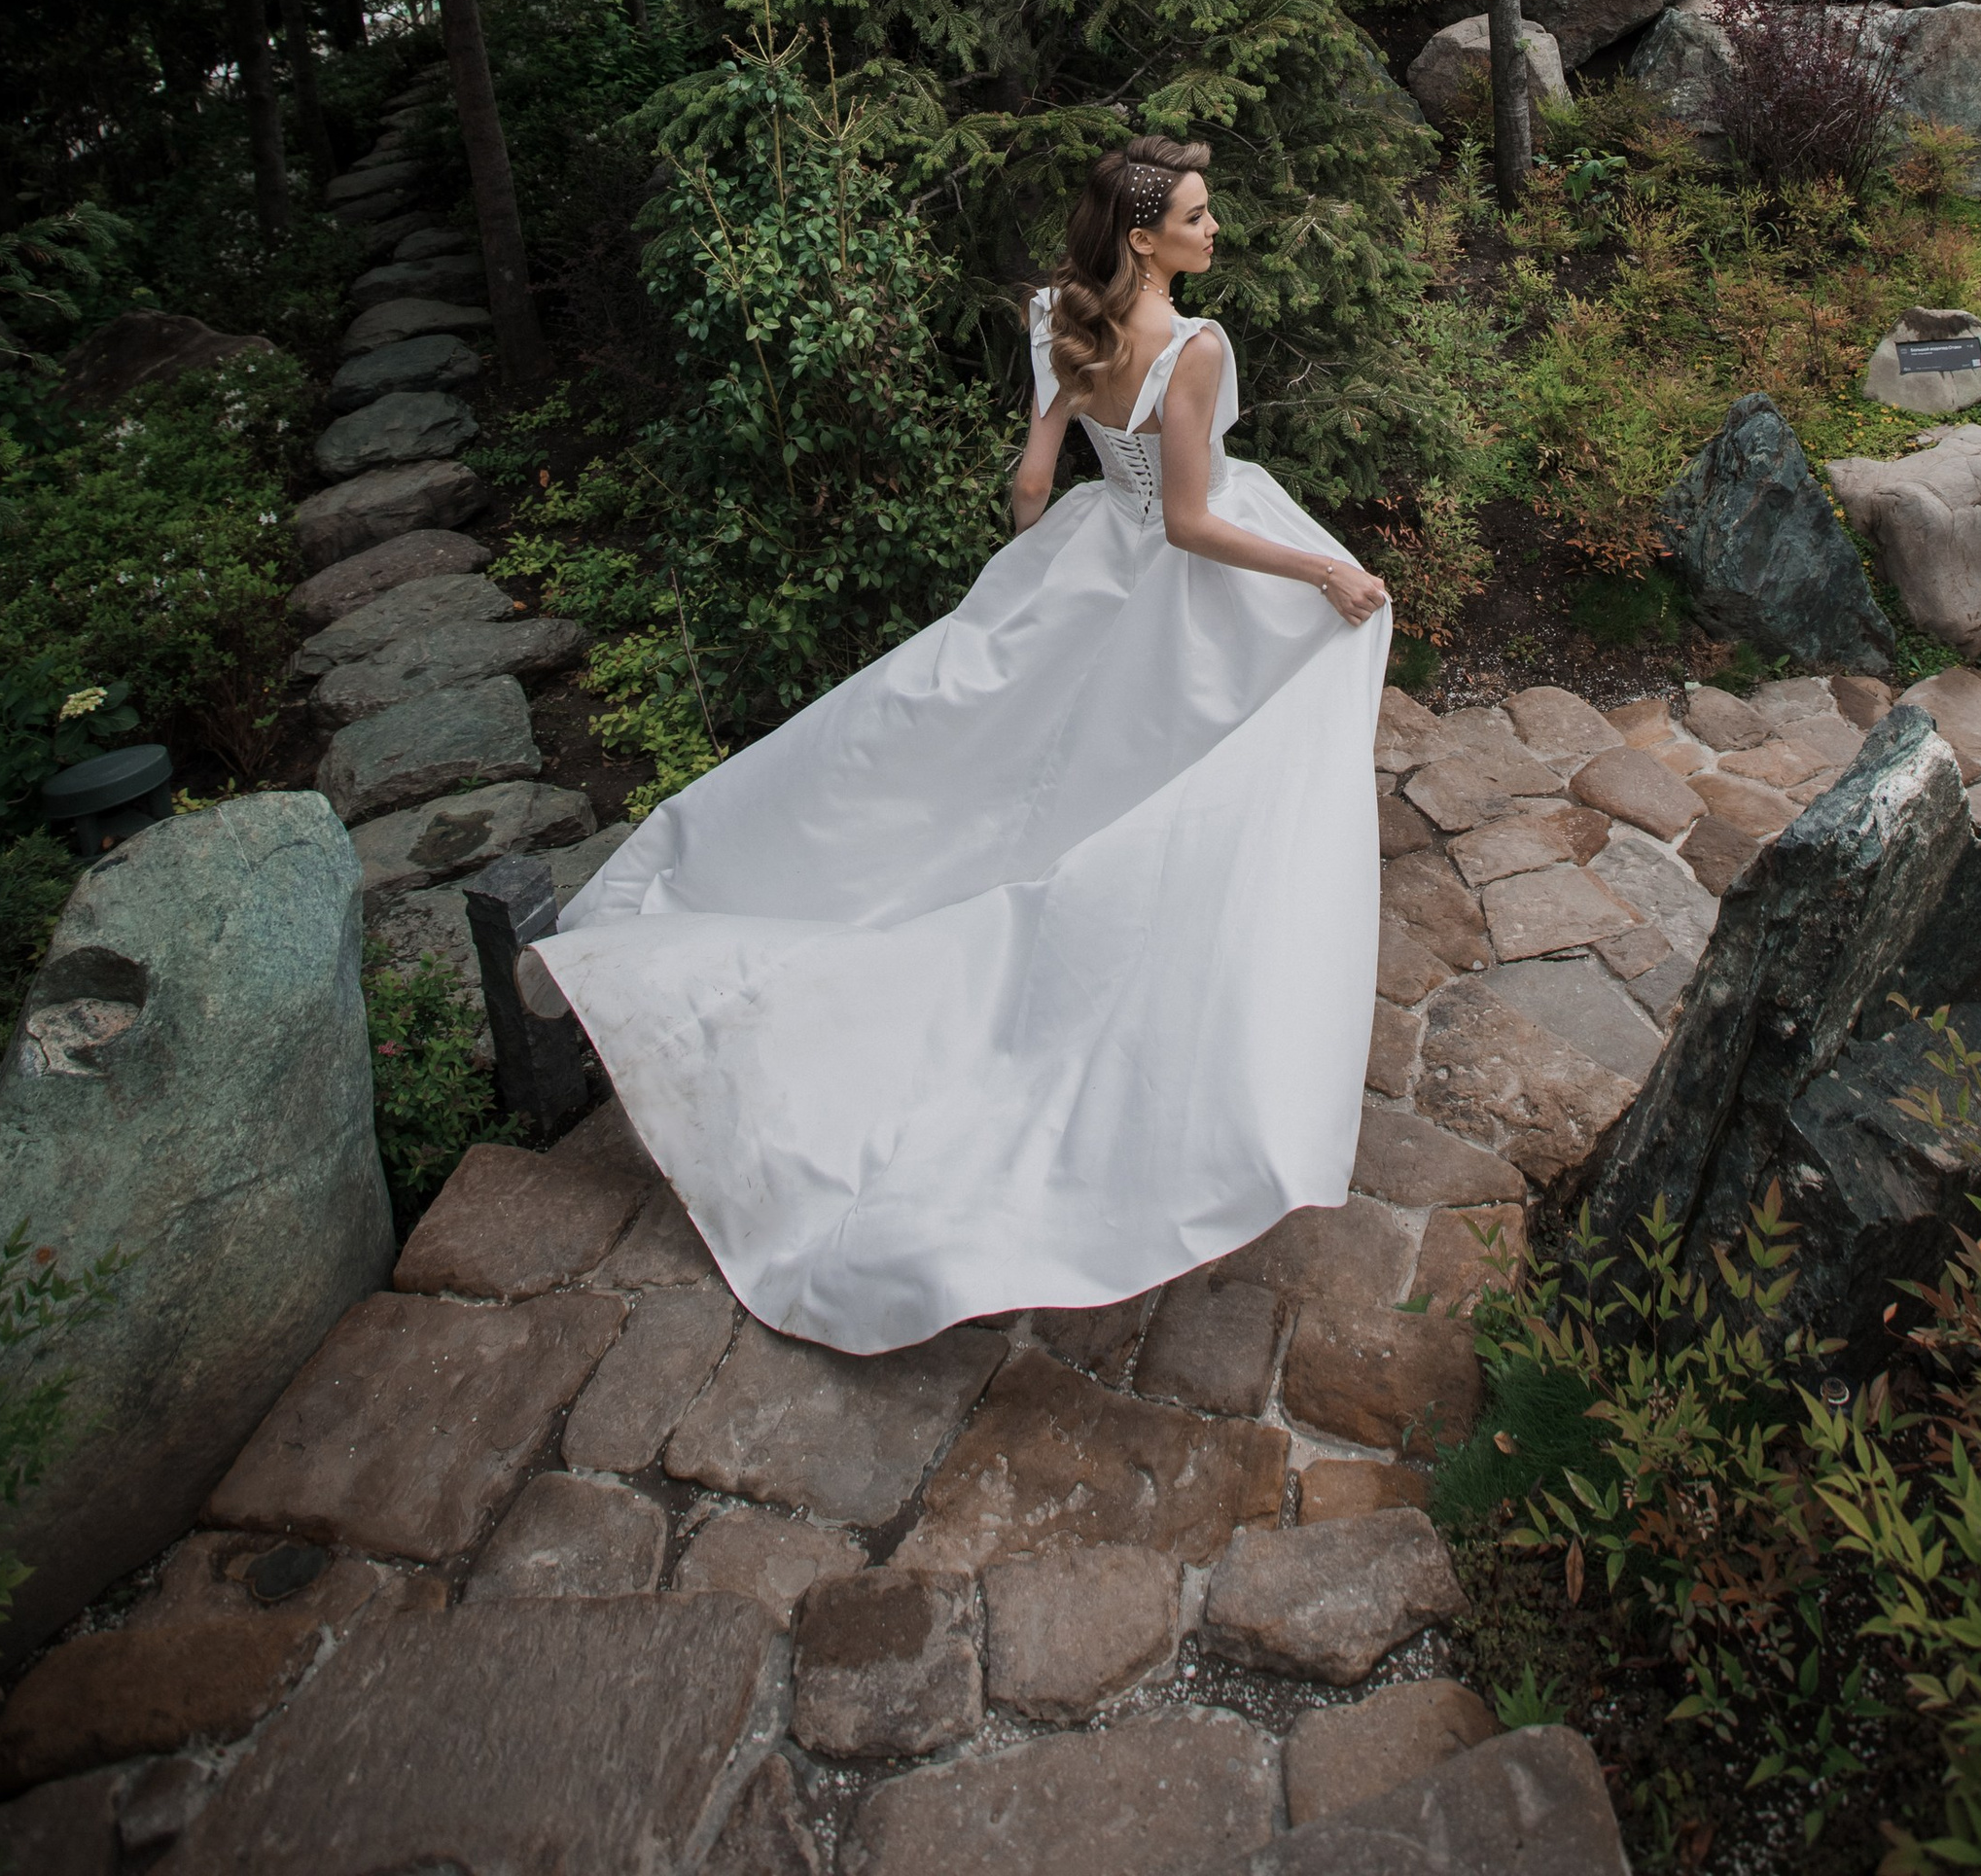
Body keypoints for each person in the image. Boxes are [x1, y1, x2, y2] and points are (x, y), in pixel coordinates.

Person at [537, 134, 1392, 1353]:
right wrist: (1322, 568)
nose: (1216, 232)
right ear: (1144, 239)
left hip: (1090, 553)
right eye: (1198, 218)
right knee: (1238, 727)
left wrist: (1021, 591)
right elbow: (1194, 524)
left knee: (1020, 753)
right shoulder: (1194, 349)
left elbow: (1036, 477)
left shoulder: (1060, 312)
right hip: (1174, 568)